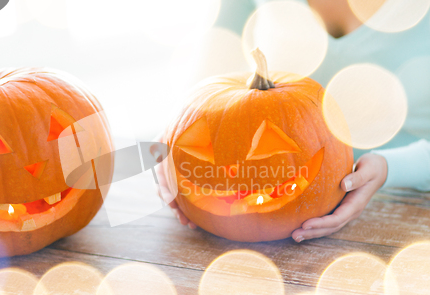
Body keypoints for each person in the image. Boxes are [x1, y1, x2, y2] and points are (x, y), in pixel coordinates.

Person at [155, 0, 430, 242]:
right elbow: (201, 91)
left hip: (404, 211)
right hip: (245, 214)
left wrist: (390, 168)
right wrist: (171, 147)